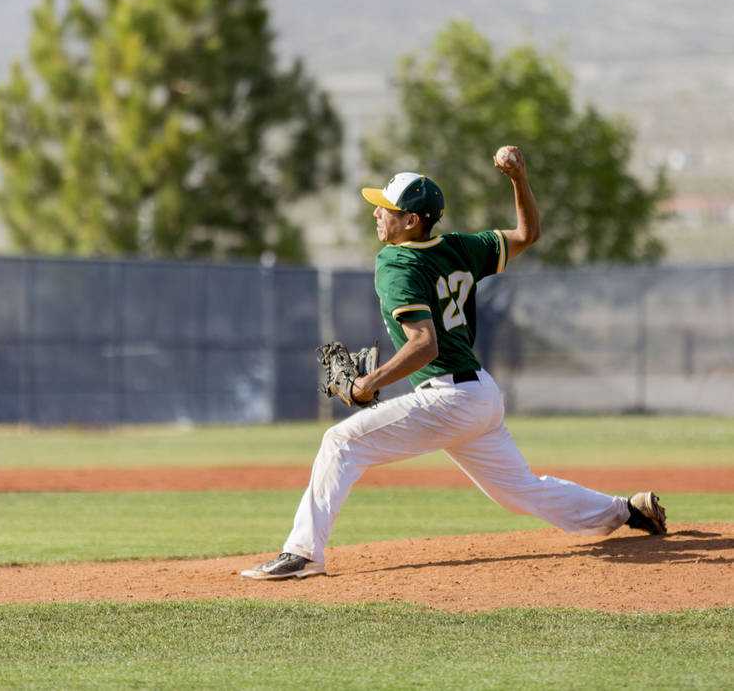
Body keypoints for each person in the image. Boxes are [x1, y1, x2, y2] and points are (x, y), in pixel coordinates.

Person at [242, 146, 666, 580]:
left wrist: (366, 384)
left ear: (410, 221)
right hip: (479, 393)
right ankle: (628, 511)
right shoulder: (461, 247)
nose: (376, 214)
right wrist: (519, 178)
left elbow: (424, 346)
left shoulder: (396, 262)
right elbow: (529, 234)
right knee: (520, 491)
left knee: (340, 443)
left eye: (386, 208)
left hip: (450, 397)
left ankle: (303, 553)